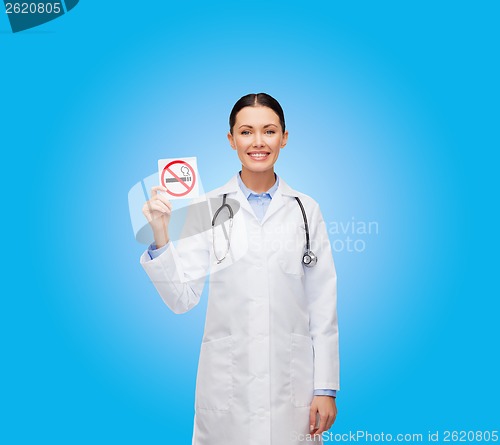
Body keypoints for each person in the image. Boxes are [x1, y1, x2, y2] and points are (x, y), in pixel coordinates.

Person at [140, 93, 339, 445]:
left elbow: (323, 307)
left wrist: (325, 388)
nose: (258, 142)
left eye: (269, 131)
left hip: (291, 388)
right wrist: (160, 234)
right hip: (227, 391)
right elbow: (181, 298)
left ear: (285, 138)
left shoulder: (307, 210)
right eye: (246, 132)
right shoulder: (207, 208)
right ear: (231, 140)